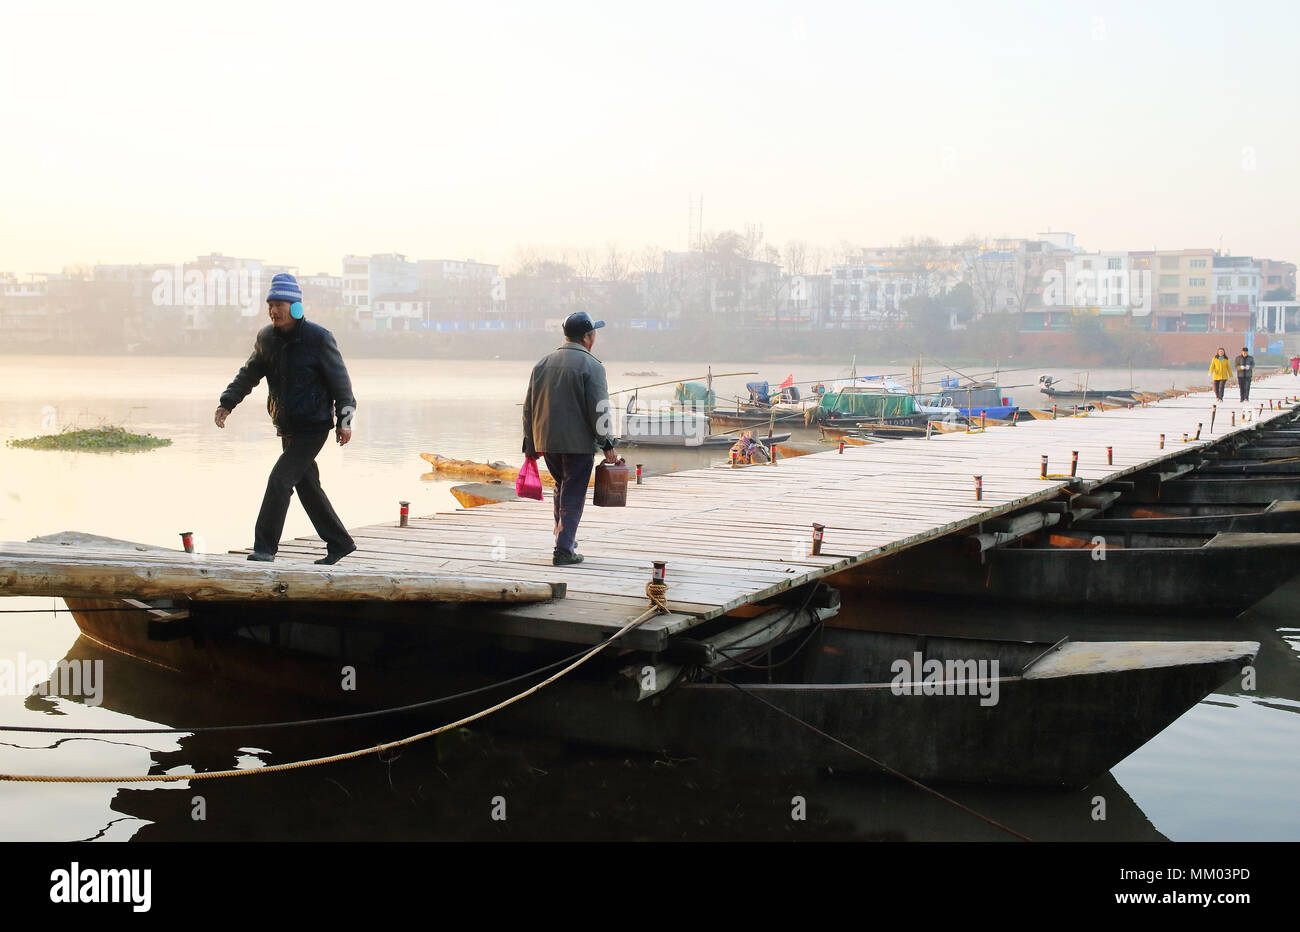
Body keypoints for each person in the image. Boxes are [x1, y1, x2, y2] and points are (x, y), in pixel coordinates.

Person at [214, 273, 358, 564]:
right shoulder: (267, 338)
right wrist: (227, 402)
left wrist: (345, 419)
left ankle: (265, 548)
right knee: (308, 487)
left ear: (296, 307)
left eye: (279, 304)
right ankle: (339, 542)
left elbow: (340, 383)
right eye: (270, 305)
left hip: (314, 426)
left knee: (280, 481)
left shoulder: (318, 338)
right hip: (288, 426)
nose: (273, 311)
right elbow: (249, 374)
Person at [522, 311, 618, 566]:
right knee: (573, 492)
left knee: (561, 487)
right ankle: (564, 550)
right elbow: (600, 407)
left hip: (547, 441)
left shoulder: (543, 363)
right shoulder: (592, 366)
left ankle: (564, 538)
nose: (595, 336)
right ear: (588, 337)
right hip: (577, 444)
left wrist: (529, 444)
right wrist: (607, 442)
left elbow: (528, 407)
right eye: (594, 332)